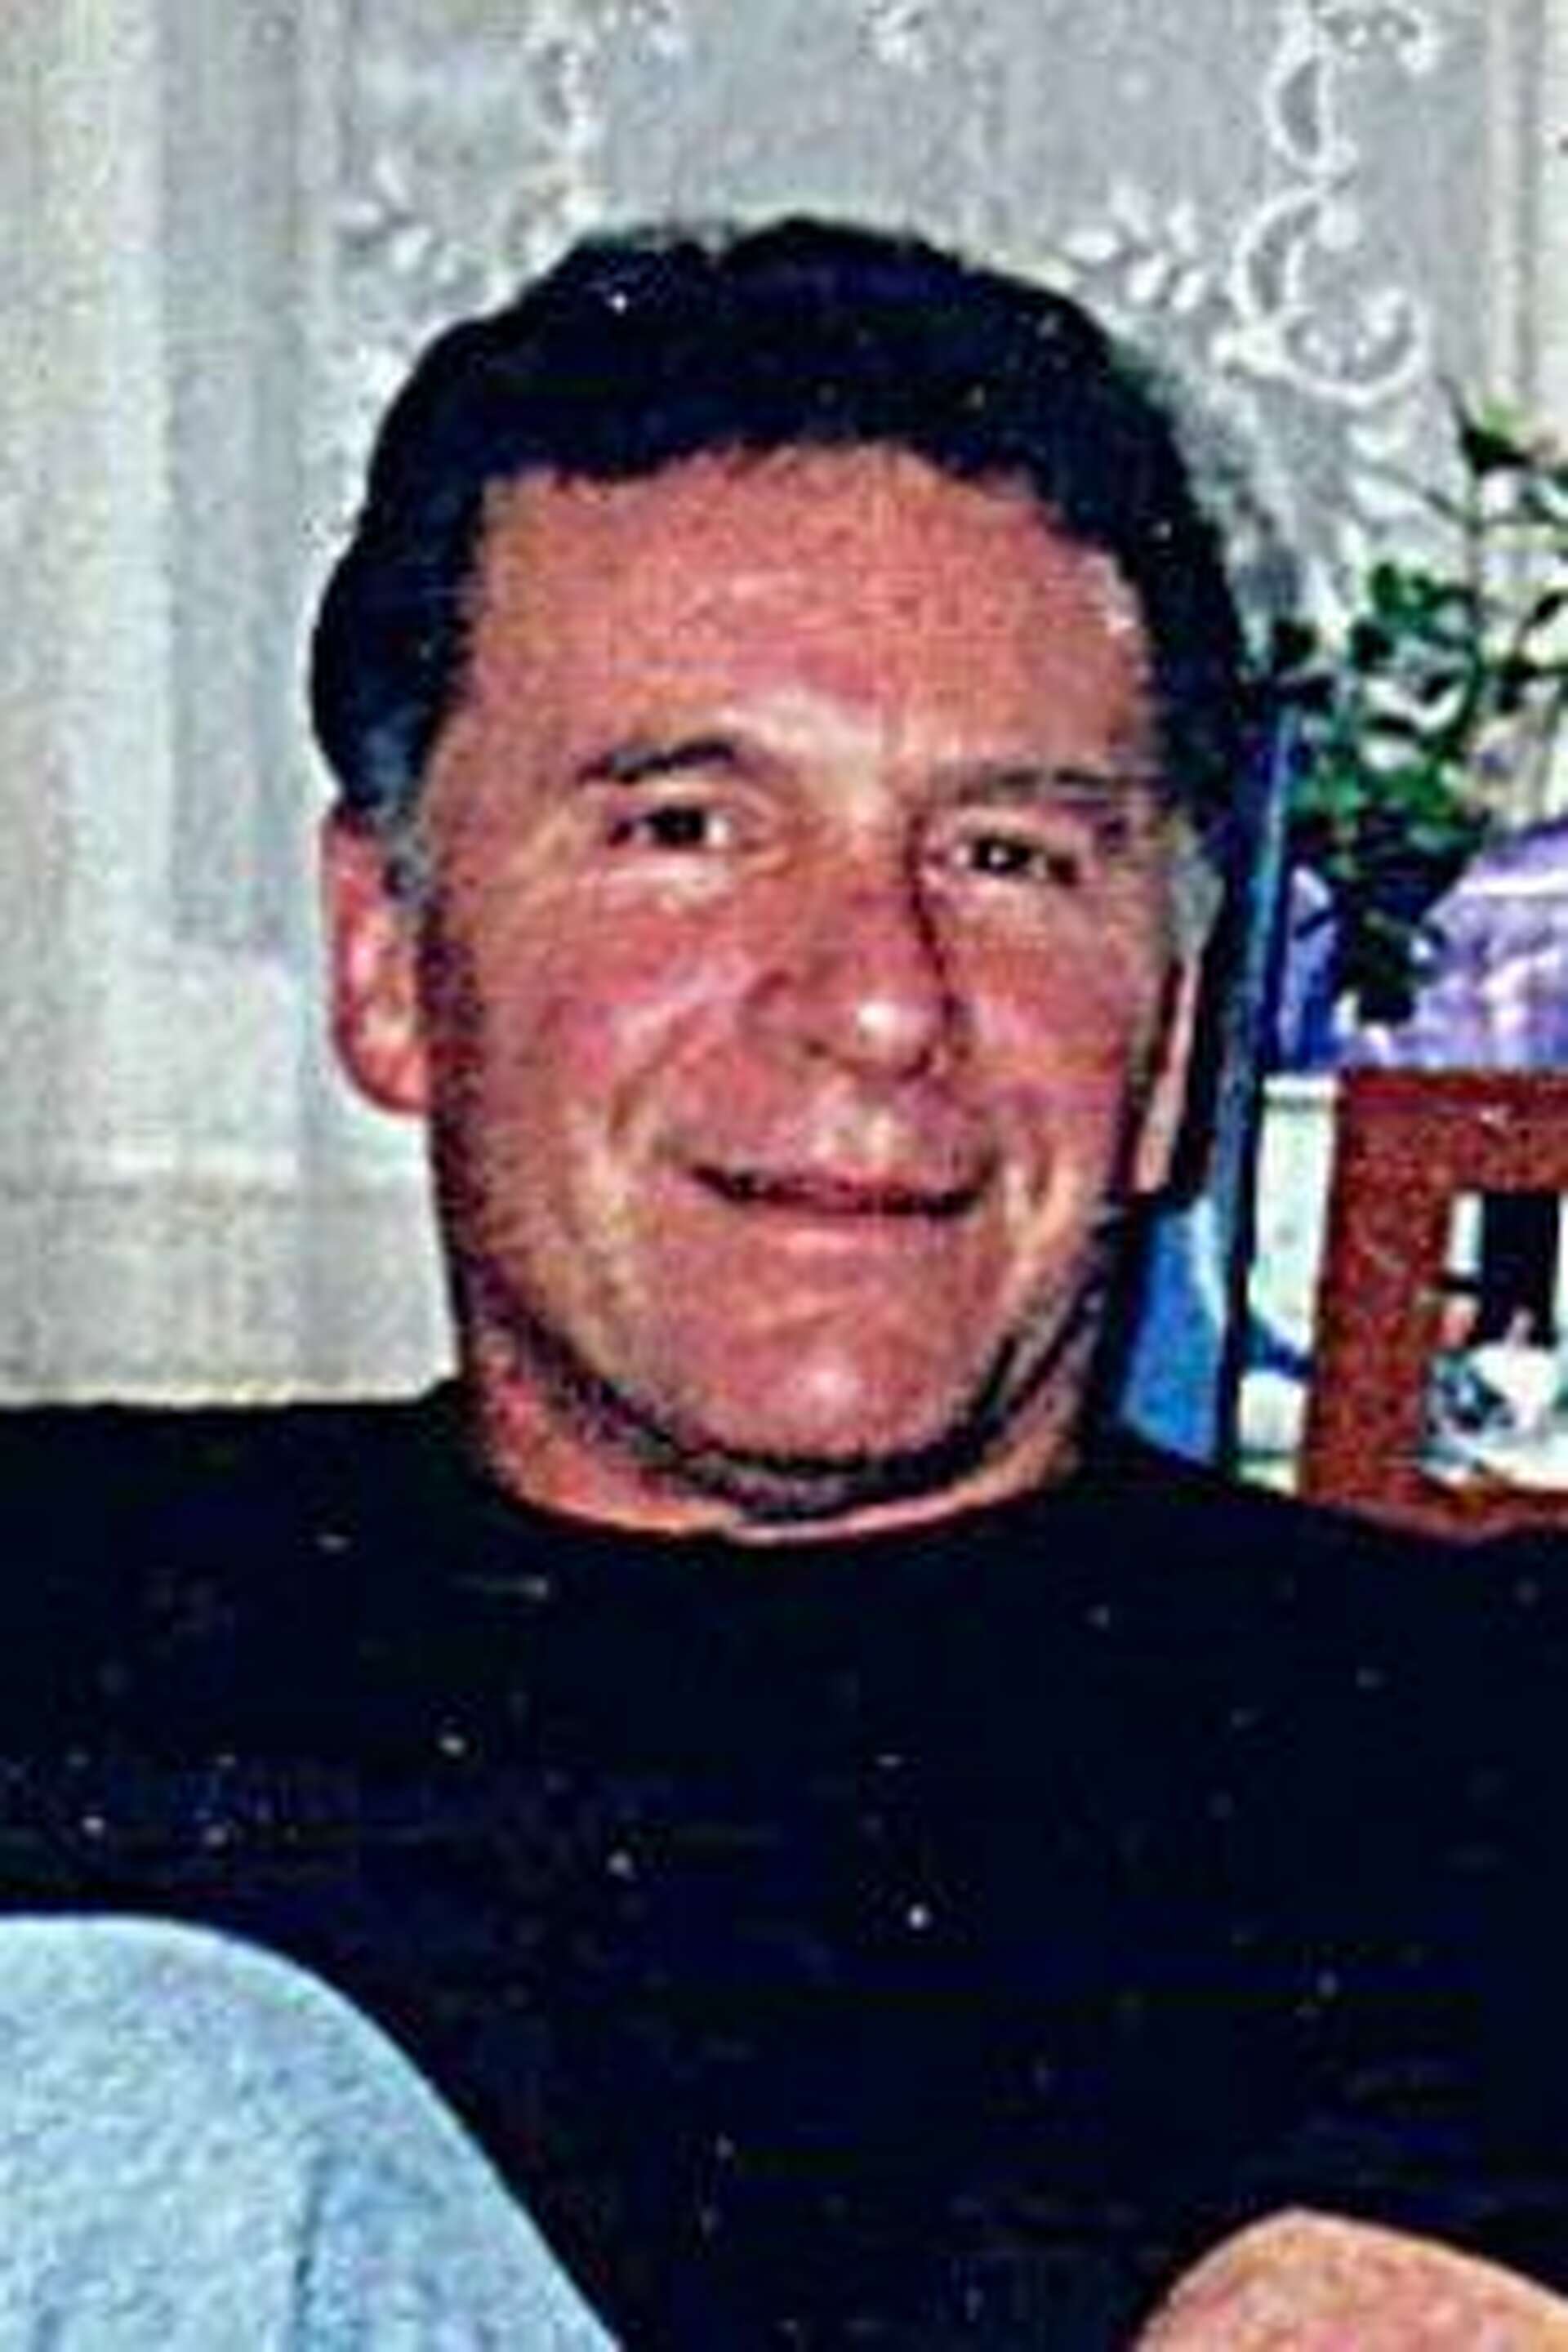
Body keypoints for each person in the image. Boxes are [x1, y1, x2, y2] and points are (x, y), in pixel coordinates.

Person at [5, 215, 1568, 2347]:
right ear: (386, 960)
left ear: (1172, 1044)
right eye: (686, 830)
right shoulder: (65, 1589)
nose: (880, 1000)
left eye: (1011, 857)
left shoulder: (1471, 1743)